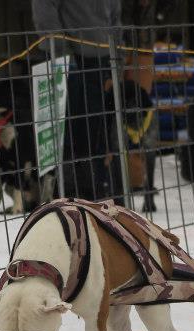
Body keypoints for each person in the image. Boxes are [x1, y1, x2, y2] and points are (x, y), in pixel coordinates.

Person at [32, 0, 122, 201]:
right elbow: (44, 9)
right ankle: (69, 195)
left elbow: (115, 17)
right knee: (70, 134)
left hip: (103, 61)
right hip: (71, 59)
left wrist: (117, 57)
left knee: (97, 132)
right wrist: (61, 52)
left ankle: (94, 190)